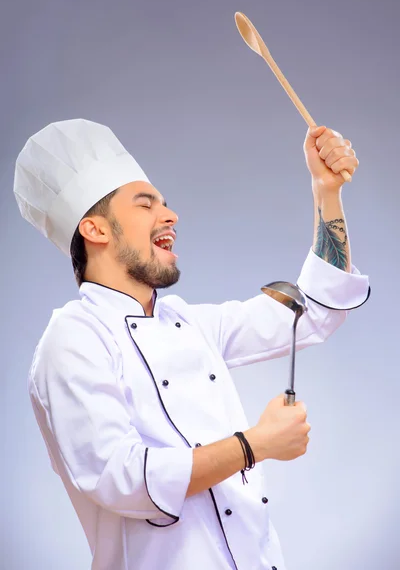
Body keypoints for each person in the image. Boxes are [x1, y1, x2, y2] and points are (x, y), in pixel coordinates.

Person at [14, 118, 370, 570]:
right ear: (95, 230)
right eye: (146, 206)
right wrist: (254, 445)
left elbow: (313, 310)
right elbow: (121, 477)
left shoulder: (187, 321)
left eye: (165, 204)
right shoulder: (72, 339)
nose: (170, 215)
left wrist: (327, 192)